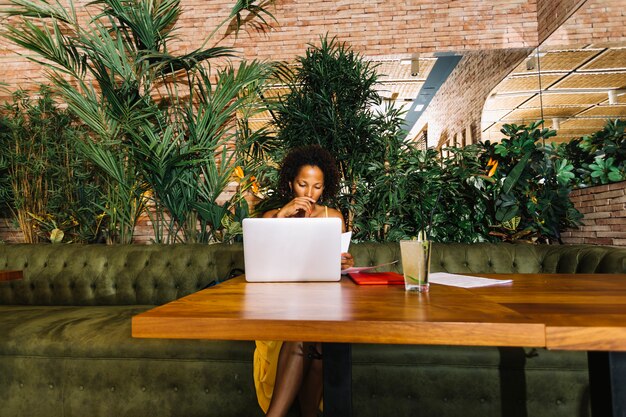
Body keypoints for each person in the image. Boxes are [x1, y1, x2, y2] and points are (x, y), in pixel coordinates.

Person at [254, 145, 354, 417]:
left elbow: (333, 271)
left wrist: (342, 263)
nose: (309, 193)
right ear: (290, 183)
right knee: (302, 337)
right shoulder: (271, 218)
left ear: (325, 187)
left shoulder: (333, 218)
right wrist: (282, 216)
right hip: (282, 307)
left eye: (317, 186)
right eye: (303, 184)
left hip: (321, 305)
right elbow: (261, 263)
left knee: (320, 341)